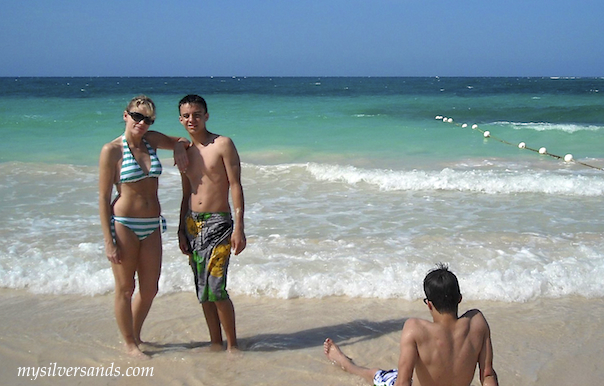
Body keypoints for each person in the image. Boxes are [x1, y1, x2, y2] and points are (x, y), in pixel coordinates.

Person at [99, 95, 190, 358]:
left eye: (148, 119)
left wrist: (178, 149)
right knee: (126, 288)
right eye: (137, 116)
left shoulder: (151, 140)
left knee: (150, 289)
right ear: (126, 115)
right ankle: (129, 344)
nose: (142, 122)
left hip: (152, 224)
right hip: (124, 224)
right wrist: (108, 240)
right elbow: (104, 198)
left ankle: (135, 334)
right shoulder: (112, 150)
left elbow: (182, 140)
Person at [324, 264, 499, 386]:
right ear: (460, 299)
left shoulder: (416, 329)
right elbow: (487, 375)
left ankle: (346, 364)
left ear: (429, 304)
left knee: (376, 375)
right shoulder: (477, 323)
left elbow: (404, 382)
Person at [177, 94, 246, 352]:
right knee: (202, 290)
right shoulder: (184, 152)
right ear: (180, 119)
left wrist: (239, 226)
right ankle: (215, 342)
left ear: (206, 116)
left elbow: (236, 185)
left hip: (219, 224)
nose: (191, 119)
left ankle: (232, 345)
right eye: (186, 116)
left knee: (216, 288)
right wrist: (180, 231)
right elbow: (186, 194)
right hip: (192, 226)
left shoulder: (223, 144)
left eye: (196, 114)